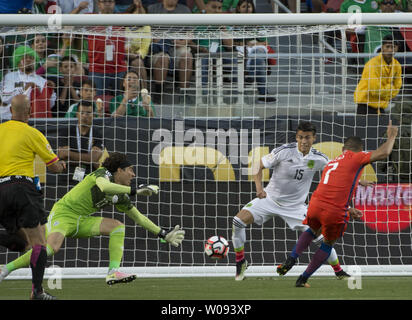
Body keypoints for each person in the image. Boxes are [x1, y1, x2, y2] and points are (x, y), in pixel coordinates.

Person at [0, 152, 185, 287]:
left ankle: (113, 272)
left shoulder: (120, 195)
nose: (133, 175)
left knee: (118, 227)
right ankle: (5, 269)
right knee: (51, 248)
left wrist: (162, 232)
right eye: (130, 170)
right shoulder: (103, 173)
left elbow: (138, 217)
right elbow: (104, 187)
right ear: (119, 170)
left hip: (82, 220)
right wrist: (135, 191)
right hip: (64, 214)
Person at [277, 121, 398, 288]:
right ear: (360, 150)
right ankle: (303, 279)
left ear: (343, 149)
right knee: (328, 243)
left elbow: (336, 187)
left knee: (312, 230)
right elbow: (384, 152)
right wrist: (392, 136)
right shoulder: (358, 157)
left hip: (315, 204)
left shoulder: (332, 163)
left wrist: (350, 207)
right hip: (333, 211)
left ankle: (291, 258)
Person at [232, 121, 349, 281]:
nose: (303, 141)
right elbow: (258, 166)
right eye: (300, 137)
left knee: (322, 239)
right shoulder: (284, 151)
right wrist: (259, 189)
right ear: (297, 137)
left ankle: (338, 271)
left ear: (314, 138)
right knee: (238, 221)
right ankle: (241, 261)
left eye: (307, 137)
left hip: (296, 207)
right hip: (269, 199)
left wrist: (358, 181)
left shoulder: (320, 158)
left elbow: (337, 173)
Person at [0, 94, 66, 300]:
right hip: (22, 188)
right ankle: (36, 292)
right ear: (29, 112)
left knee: (24, 243)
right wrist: (62, 164)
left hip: (0, 189)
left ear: (10, 111)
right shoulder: (33, 133)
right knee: (40, 244)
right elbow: (54, 167)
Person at [147, 0, 193, 104]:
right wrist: (154, 39)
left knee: (187, 56)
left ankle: (184, 94)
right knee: (163, 58)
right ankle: (158, 94)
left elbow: (190, 34)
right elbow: (145, 30)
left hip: (178, 46)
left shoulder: (185, 10)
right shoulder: (152, 9)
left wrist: (183, 42)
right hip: (158, 48)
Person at [57, 100, 104, 187]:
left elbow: (93, 158)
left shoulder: (97, 134)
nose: (85, 116)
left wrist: (69, 154)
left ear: (93, 115)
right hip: (68, 177)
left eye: (88, 113)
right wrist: (88, 159)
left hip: (90, 178)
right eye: (82, 112)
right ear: (77, 114)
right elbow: (62, 154)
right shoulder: (67, 131)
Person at [1, 47, 55, 119]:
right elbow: (5, 98)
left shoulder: (42, 81)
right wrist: (24, 88)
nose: (29, 60)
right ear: (18, 62)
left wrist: (50, 91)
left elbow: (50, 105)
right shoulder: (9, 77)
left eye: (31, 58)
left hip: (35, 120)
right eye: (25, 58)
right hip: (9, 118)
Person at [354, 35, 402, 115]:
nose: (390, 50)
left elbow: (397, 88)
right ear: (382, 47)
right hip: (365, 105)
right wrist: (389, 88)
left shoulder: (397, 65)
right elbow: (374, 90)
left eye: (393, 47)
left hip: (381, 106)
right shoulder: (373, 64)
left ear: (397, 49)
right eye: (387, 46)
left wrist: (385, 90)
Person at [88, 0, 128, 96]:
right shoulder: (90, 18)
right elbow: (69, 20)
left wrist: (138, 6)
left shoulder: (122, 18)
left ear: (114, 4)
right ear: (98, 4)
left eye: (110, 1)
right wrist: (79, 8)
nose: (107, 4)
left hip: (119, 69)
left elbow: (140, 19)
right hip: (97, 69)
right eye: (104, 1)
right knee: (97, 101)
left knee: (121, 101)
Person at [125, 0, 151, 90]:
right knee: (122, 63)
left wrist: (135, 55)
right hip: (121, 55)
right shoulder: (123, 26)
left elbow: (144, 49)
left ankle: (144, 92)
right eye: (137, 12)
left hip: (137, 56)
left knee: (137, 63)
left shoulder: (146, 28)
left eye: (142, 13)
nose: (140, 15)